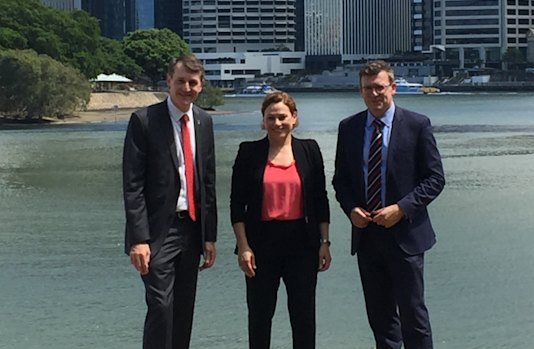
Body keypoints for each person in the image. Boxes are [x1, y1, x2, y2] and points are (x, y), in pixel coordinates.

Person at [332, 60, 445, 349]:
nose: (374, 94)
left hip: (406, 235)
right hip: (368, 237)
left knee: (413, 317)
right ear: (360, 92)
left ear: (393, 88)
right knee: (381, 320)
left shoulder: (417, 125)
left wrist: (402, 208)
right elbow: (340, 181)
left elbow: (435, 179)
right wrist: (351, 209)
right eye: (367, 88)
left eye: (380, 87)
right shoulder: (349, 127)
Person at [122, 53, 217, 349]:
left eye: (193, 83)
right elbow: (132, 184)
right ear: (168, 81)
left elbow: (208, 182)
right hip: (156, 232)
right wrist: (139, 239)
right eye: (180, 82)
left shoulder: (203, 121)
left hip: (191, 228)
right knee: (161, 305)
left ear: (200, 86)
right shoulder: (144, 120)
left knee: (183, 309)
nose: (186, 88)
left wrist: (209, 236)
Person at [230, 91, 331, 349]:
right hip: (260, 246)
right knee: (260, 318)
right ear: (263, 121)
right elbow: (236, 205)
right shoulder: (248, 152)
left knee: (304, 318)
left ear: (294, 118)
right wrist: (243, 247)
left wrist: (325, 243)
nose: (277, 123)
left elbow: (320, 200)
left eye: (283, 117)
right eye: (271, 118)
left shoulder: (310, 149)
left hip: (303, 245)